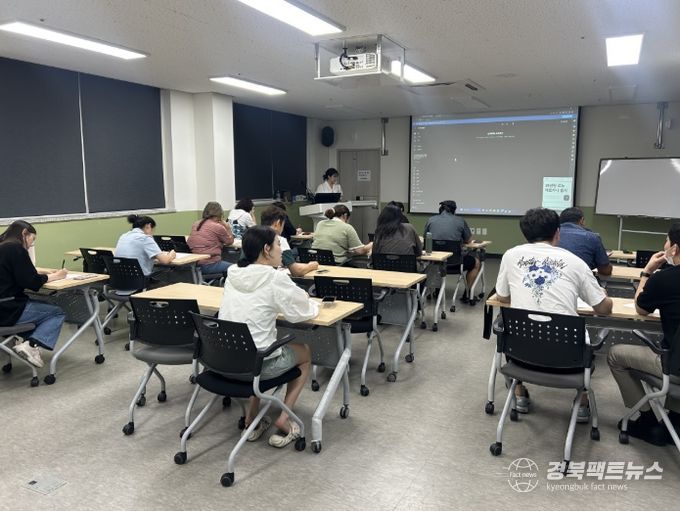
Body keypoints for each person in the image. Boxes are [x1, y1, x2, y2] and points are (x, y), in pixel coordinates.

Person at [496, 208, 613, 418]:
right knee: (583, 340)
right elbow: (603, 309)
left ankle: (519, 393)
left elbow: (502, 297)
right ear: (557, 233)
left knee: (515, 329)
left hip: (520, 356)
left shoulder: (510, 255)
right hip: (568, 361)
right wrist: (604, 295)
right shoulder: (576, 263)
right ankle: (582, 403)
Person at [218, 226, 318, 448]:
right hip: (256, 368)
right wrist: (309, 301)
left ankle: (252, 417)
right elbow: (299, 313)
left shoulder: (232, 273)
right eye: (279, 245)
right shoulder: (274, 277)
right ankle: (284, 418)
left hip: (222, 361)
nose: (282, 250)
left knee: (255, 344)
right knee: (303, 352)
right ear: (266, 249)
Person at [607, 223, 680, 446]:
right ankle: (675, 420)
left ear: (674, 248)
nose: (664, 245)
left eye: (666, 241)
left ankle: (647, 421)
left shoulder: (665, 278)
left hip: (675, 367)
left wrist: (647, 272)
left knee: (615, 354)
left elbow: (640, 308)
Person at [0, 220, 68, 368]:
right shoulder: (15, 248)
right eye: (32, 239)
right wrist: (56, 276)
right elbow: (31, 282)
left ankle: (24, 343)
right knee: (56, 312)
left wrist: (41, 272)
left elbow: (12, 271)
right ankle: (31, 345)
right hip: (7, 309)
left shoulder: (3, 246)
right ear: (24, 233)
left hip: (3, 305)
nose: (31, 245)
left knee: (42, 306)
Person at [424, 200, 480, 296]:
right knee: (476, 263)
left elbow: (426, 237)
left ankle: (436, 290)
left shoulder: (431, 220)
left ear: (440, 209)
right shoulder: (460, 221)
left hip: (435, 262)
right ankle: (468, 294)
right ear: (454, 210)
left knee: (437, 262)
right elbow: (469, 240)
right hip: (455, 263)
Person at [260, 206, 318, 277]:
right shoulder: (279, 240)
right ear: (277, 223)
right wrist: (311, 266)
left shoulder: (252, 237)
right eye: (283, 225)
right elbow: (296, 271)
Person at [558, 207, 612, 276]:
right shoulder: (591, 237)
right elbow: (605, 271)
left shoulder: (550, 235)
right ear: (582, 220)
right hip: (578, 280)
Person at [187, 201, 234, 275]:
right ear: (220, 214)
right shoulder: (218, 227)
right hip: (209, 264)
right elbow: (230, 241)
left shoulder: (196, 224)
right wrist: (227, 227)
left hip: (194, 264)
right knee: (236, 269)